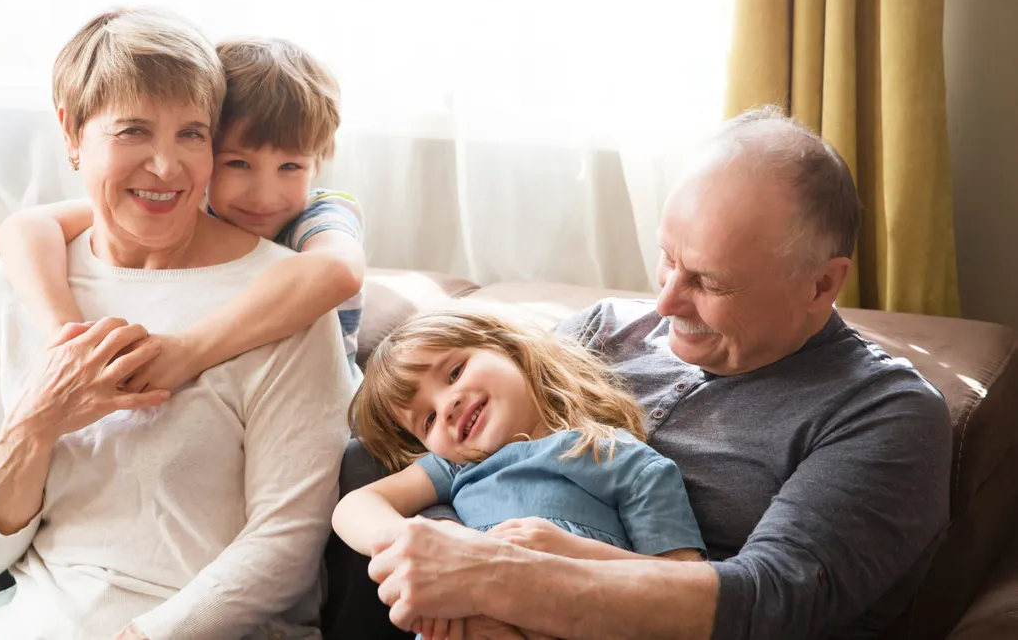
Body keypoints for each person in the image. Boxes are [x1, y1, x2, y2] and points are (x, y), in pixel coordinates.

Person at [336, 107, 953, 640]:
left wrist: (511, 585)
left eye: (709, 282)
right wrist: (467, 588)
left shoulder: (884, 413)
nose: (664, 304)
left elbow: (769, 600)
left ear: (822, 283)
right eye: (667, 259)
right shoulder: (602, 330)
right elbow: (453, 470)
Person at [0, 7, 353, 640]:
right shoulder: (8, 290)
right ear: (72, 133)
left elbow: (284, 549)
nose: (166, 166)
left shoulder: (283, 299)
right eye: (133, 131)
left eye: (192, 133)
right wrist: (39, 420)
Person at [0, 36, 366, 386]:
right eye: (237, 164)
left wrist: (189, 351)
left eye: (291, 168)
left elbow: (338, 269)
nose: (265, 196)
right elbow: (24, 226)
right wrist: (67, 334)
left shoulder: (319, 214)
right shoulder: (189, 206)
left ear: (316, 163)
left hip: (331, 410)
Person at [334, 308, 706, 639]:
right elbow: (355, 506)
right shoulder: (459, 466)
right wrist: (422, 542)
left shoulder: (620, 457)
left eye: (454, 372)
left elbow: (686, 586)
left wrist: (569, 552)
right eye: (427, 420)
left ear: (508, 349)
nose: (446, 406)